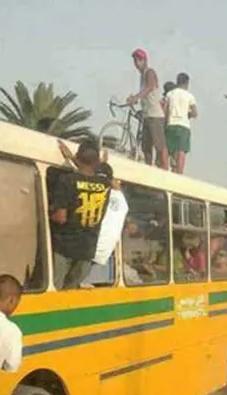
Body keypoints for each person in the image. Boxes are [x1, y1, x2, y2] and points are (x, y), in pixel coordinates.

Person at [49, 140, 111, 289]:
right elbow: (94, 170)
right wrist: (74, 159)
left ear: (78, 156)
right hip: (87, 251)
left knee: (56, 290)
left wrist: (47, 214)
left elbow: (60, 218)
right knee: (70, 291)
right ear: (97, 162)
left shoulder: (67, 181)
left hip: (64, 248)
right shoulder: (105, 184)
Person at [126, 48, 168, 169]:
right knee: (146, 146)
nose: (136, 63)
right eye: (135, 60)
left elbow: (150, 87)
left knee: (160, 146)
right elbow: (145, 93)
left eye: (139, 60)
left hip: (155, 115)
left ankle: (165, 168)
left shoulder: (149, 72)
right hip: (147, 114)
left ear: (144, 60)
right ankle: (149, 168)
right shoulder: (142, 76)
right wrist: (135, 99)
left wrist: (136, 97)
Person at [164, 72, 197, 175]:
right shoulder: (190, 96)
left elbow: (165, 110)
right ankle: (179, 173)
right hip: (184, 126)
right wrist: (188, 114)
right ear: (186, 83)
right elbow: (195, 113)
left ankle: (165, 169)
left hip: (171, 124)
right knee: (181, 150)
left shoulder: (170, 94)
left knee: (168, 148)